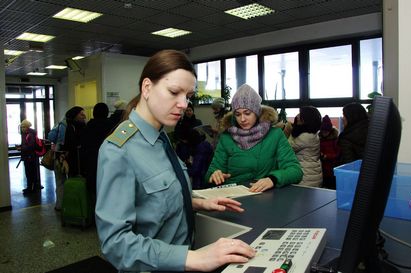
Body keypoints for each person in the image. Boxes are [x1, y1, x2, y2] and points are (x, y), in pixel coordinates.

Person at [95, 49, 255, 273]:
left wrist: (197, 202)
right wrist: (193, 258)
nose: (183, 104)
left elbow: (154, 202)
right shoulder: (119, 151)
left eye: (188, 96)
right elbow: (115, 244)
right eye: (174, 92)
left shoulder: (160, 137)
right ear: (147, 87)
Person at [205, 84, 303, 192]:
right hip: (233, 197)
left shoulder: (275, 135)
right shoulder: (226, 138)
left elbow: (295, 171)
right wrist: (214, 175)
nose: (242, 119)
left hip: (265, 197)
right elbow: (210, 173)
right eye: (237, 114)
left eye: (247, 113)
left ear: (257, 112)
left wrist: (273, 179)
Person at [49, 106, 86, 211]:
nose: (84, 116)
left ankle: (61, 205)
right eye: (81, 114)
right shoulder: (79, 125)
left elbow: (51, 137)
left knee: (61, 181)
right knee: (67, 180)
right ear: (75, 115)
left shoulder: (62, 124)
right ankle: (71, 205)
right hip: (66, 157)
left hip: (62, 156)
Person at [81, 102, 112, 204]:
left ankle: (94, 218)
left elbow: (84, 148)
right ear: (107, 113)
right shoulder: (112, 127)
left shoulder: (87, 127)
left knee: (94, 195)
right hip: (108, 164)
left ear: (94, 113)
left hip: (92, 164)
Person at [288, 106, 322, 187]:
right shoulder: (312, 133)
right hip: (312, 174)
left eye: (300, 115)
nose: (297, 116)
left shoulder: (305, 137)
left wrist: (287, 130)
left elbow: (287, 147)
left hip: (305, 178)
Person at [18, 120, 42, 194]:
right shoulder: (26, 134)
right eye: (22, 127)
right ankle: (32, 187)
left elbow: (30, 146)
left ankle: (30, 188)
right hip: (29, 156)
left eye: (24, 127)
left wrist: (21, 148)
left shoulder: (30, 135)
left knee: (29, 172)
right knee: (30, 172)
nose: (22, 129)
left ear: (28, 127)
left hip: (30, 156)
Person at [319, 115, 340, 189]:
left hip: (332, 169)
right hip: (323, 170)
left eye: (326, 131)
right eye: (323, 131)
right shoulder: (319, 139)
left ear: (330, 130)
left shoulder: (335, 140)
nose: (324, 132)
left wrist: (327, 156)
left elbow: (338, 153)